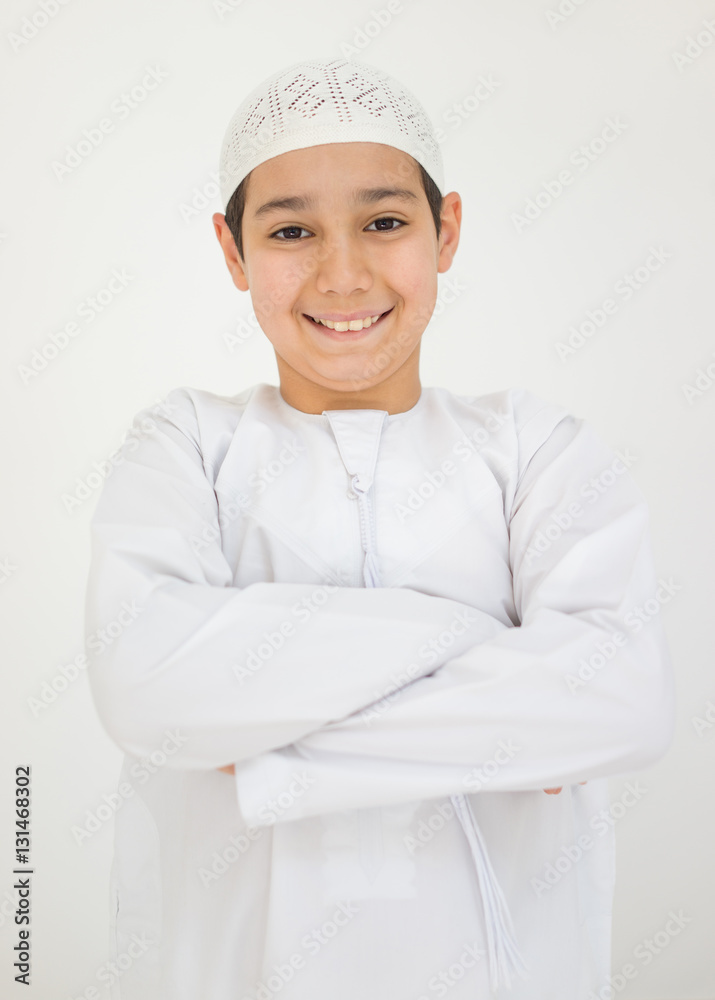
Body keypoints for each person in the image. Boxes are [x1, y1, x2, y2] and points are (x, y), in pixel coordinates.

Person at [84, 56, 676, 1000]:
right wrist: (480, 642)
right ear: (232, 253)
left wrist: (263, 742)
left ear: (444, 230)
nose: (343, 271)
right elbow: (148, 689)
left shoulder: (535, 450)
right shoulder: (186, 446)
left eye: (385, 222)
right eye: (289, 231)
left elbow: (622, 699)